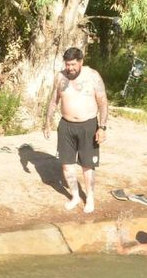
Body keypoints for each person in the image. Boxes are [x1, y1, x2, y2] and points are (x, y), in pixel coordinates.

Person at [43, 47, 108, 213]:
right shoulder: (60, 77)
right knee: (67, 165)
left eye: (73, 64)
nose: (70, 68)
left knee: (87, 166)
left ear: (81, 62)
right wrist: (47, 122)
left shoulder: (93, 76)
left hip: (88, 125)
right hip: (66, 126)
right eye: (67, 64)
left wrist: (102, 127)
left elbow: (103, 102)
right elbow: (54, 101)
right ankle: (75, 196)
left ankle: (90, 198)